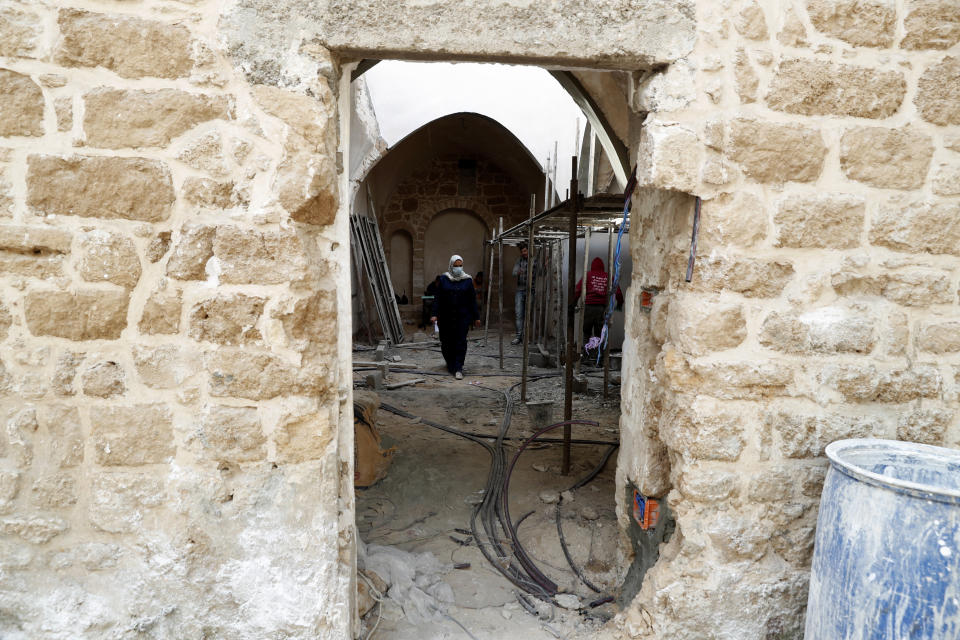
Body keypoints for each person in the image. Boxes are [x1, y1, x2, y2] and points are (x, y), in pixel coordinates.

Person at [430, 255, 480, 379]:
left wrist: (476, 317)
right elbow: (438, 298)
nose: (458, 268)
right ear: (451, 266)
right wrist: (434, 314)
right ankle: (451, 364)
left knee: (461, 342)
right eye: (456, 266)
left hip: (462, 317)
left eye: (460, 266)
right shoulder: (443, 279)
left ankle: (458, 367)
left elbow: (472, 300)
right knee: (446, 342)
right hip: (445, 316)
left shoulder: (467, 280)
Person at [575, 257, 624, 346]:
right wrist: (620, 303)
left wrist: (574, 303)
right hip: (601, 308)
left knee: (587, 332)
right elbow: (618, 292)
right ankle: (599, 356)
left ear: (592, 266)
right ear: (603, 267)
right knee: (600, 333)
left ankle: (587, 355)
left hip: (588, 308)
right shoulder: (608, 277)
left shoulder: (588, 275)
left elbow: (577, 290)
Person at [511, 244, 534, 345]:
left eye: (525, 251)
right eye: (522, 251)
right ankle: (519, 336)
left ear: (529, 251)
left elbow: (541, 273)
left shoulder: (535, 260)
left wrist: (545, 266)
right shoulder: (519, 261)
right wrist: (518, 271)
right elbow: (514, 272)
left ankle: (526, 337)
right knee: (519, 313)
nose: (523, 253)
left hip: (531, 290)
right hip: (520, 290)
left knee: (528, 314)